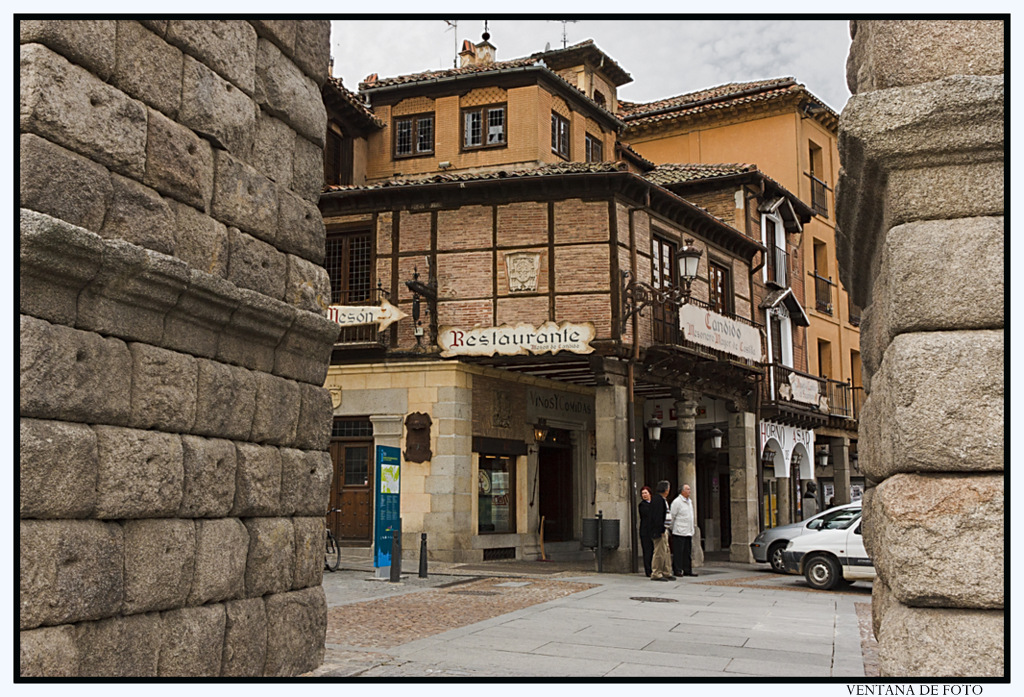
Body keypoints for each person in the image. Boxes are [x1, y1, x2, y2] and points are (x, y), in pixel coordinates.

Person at [649, 480, 676, 581]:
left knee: (666, 551)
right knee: (659, 552)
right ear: (666, 490)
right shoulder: (657, 500)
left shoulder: (663, 499)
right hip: (660, 530)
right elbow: (657, 517)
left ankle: (666, 571)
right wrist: (660, 530)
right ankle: (656, 573)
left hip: (665, 529)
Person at [669, 483, 697, 577]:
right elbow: (672, 516)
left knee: (687, 552)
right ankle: (677, 569)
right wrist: (672, 528)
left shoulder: (690, 501)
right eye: (688, 489)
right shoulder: (677, 502)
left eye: (689, 489)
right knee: (678, 552)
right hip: (679, 531)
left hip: (688, 530)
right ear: (682, 491)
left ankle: (687, 569)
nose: (689, 491)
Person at [637, 486, 658, 577]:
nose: (644, 495)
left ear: (650, 493)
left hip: (653, 530)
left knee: (654, 551)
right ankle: (648, 570)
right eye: (642, 493)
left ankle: (655, 569)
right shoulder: (642, 505)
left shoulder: (654, 503)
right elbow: (648, 515)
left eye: (646, 493)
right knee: (647, 551)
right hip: (645, 531)